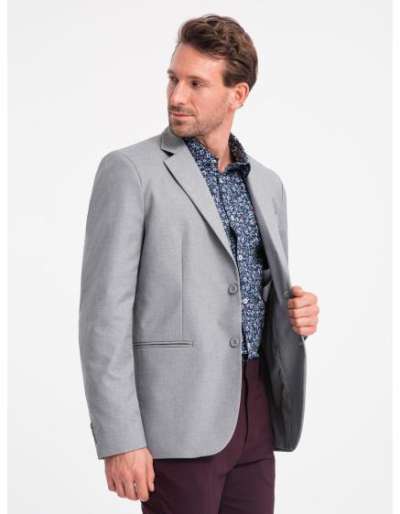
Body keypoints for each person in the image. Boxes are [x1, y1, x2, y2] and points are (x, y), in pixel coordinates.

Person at [78, 13, 319, 514]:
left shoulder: (267, 185)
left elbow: (253, 291)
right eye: (173, 78)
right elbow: (104, 317)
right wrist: (121, 438)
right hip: (177, 421)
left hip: (255, 412)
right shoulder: (130, 172)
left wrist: (296, 311)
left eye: (196, 84)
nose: (176, 96)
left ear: (238, 95)